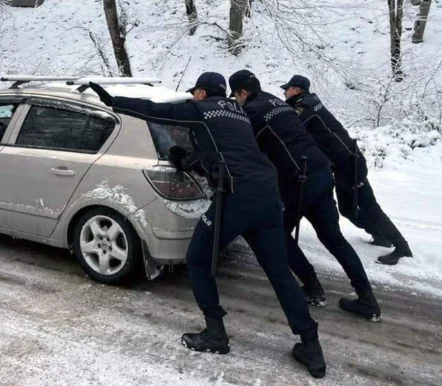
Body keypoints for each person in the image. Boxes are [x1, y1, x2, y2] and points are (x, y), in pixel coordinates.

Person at [87, 73, 326, 379]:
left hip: (236, 197)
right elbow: (223, 147)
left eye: (195, 92)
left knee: (198, 259)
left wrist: (111, 101)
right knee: (279, 272)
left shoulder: (198, 108)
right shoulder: (238, 112)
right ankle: (311, 345)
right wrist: (187, 161)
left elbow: (153, 111)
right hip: (267, 195)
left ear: (200, 93)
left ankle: (215, 333)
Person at [228, 70, 381, 322]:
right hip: (320, 172)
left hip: (297, 180)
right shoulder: (278, 102)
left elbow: (245, 149)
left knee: (276, 232)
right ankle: (367, 300)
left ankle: (312, 286)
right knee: (334, 239)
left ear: (242, 93)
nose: (238, 100)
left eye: (236, 95)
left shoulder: (252, 112)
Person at [281, 75, 413, 266]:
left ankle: (402, 248)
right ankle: (379, 235)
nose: (284, 92)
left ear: (297, 90)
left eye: (287, 89)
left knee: (370, 207)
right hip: (343, 163)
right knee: (347, 209)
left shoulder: (305, 106)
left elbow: (290, 127)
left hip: (349, 163)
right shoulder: (308, 102)